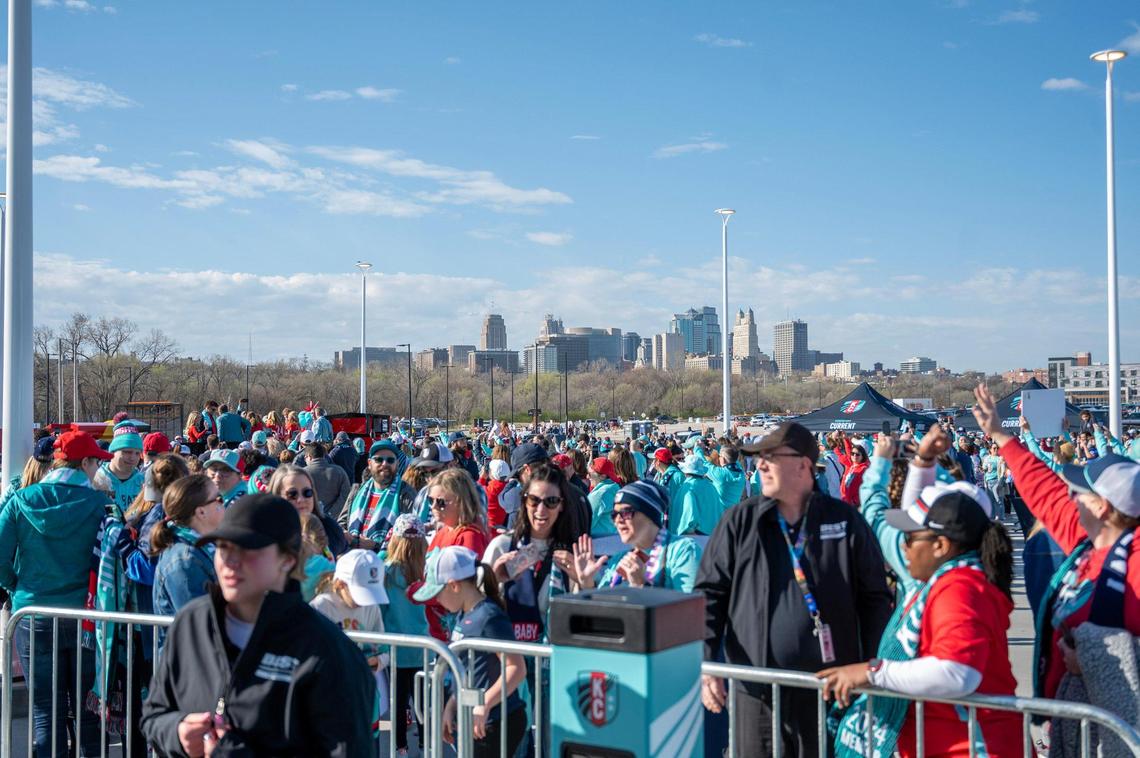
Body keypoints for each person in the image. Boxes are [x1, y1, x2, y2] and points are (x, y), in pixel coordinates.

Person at [696, 422, 894, 757]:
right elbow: (708, 597)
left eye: (770, 457)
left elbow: (875, 600)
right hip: (755, 692)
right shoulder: (739, 521)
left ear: (803, 465)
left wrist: (869, 667)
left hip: (830, 691)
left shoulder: (843, 520)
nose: (759, 465)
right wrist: (705, 667)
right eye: (758, 458)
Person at [141, 493, 376, 755]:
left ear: (287, 559)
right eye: (223, 546)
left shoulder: (328, 652)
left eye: (247, 549)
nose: (230, 561)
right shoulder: (192, 622)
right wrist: (178, 732)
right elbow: (154, 715)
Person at [819, 479, 1020, 758]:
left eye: (910, 537)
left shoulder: (960, 588)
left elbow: (957, 672)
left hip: (973, 746)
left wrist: (872, 672)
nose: (903, 547)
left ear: (940, 545)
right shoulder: (944, 583)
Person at [971, 385, 1140, 706]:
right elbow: (1042, 486)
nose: (1070, 495)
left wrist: (1093, 660)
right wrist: (1001, 436)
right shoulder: (1085, 538)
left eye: (1078, 491)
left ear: (1102, 507)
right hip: (1079, 716)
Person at [0, 431, 110, 756]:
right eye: (95, 463)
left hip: (34, 614)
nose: (97, 470)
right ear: (85, 463)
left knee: (46, 711)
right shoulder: (100, 503)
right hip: (87, 617)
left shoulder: (22, 500)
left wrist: (16, 586)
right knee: (89, 713)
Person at [415, 546, 527, 758]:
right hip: (475, 719)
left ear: (454, 586)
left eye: (438, 593)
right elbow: (467, 671)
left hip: (497, 720)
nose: (436, 600)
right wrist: (450, 706)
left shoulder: (489, 616)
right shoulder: (463, 614)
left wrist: (484, 706)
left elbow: (516, 668)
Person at [572, 479, 701, 592]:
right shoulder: (621, 559)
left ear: (650, 514)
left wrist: (642, 586)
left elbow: (693, 611)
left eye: (626, 512)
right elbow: (601, 611)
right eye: (614, 515)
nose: (618, 520)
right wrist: (587, 584)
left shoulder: (683, 551)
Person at [150, 474, 224, 645]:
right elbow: (200, 625)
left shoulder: (207, 546)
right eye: (218, 499)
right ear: (201, 512)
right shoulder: (184, 561)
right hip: (190, 662)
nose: (223, 503)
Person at [381, 514, 429, 756]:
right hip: (423, 649)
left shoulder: (385, 572)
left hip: (395, 649)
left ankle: (399, 749)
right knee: (423, 704)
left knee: (398, 704)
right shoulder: (427, 571)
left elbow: (380, 609)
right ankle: (425, 747)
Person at [310, 550, 389, 687]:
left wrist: (376, 661)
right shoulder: (320, 607)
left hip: (361, 686)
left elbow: (384, 650)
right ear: (341, 584)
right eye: (361, 594)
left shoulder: (371, 607)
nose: (364, 602)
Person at [341, 439, 416, 552]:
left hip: (387, 566)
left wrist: (375, 546)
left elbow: (412, 540)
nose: (384, 464)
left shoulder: (406, 494)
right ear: (370, 464)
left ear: (397, 464)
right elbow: (341, 524)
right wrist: (344, 534)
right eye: (379, 460)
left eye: (390, 460)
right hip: (352, 562)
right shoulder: (357, 491)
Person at [268, 463, 349, 557]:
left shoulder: (331, 529)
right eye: (292, 494)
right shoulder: (267, 537)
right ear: (277, 497)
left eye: (307, 492)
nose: (301, 499)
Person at [426, 468, 491, 555]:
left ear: (461, 502)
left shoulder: (469, 537)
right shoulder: (443, 532)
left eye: (441, 502)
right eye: (431, 500)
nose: (433, 506)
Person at [94, 418, 145, 515]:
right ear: (113, 451)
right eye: (127, 452)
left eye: (137, 453)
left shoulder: (144, 482)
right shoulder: (96, 480)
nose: (133, 458)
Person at [299, 441, 353, 521]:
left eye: (305, 458)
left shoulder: (301, 474)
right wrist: (330, 514)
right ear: (324, 455)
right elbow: (346, 496)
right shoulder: (339, 471)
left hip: (309, 521)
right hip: (334, 521)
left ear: (309, 456)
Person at [672, 454, 722, 536]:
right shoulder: (711, 486)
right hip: (713, 536)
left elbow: (690, 517)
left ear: (685, 471)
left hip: (696, 536)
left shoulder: (688, 487)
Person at [586, 457, 622, 536]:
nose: (587, 477)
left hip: (597, 543)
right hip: (613, 540)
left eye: (590, 474)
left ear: (603, 476)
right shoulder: (615, 488)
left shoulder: (600, 494)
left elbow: (584, 523)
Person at [706, 445, 746, 510]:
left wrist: (697, 448)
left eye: (719, 457)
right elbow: (733, 457)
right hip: (734, 512)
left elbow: (704, 463)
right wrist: (716, 447)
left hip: (721, 515)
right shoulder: (741, 473)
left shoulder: (721, 474)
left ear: (723, 459)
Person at [482, 458, 512, 530]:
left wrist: (482, 478)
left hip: (490, 529)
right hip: (506, 527)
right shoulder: (512, 487)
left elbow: (475, 492)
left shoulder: (490, 490)